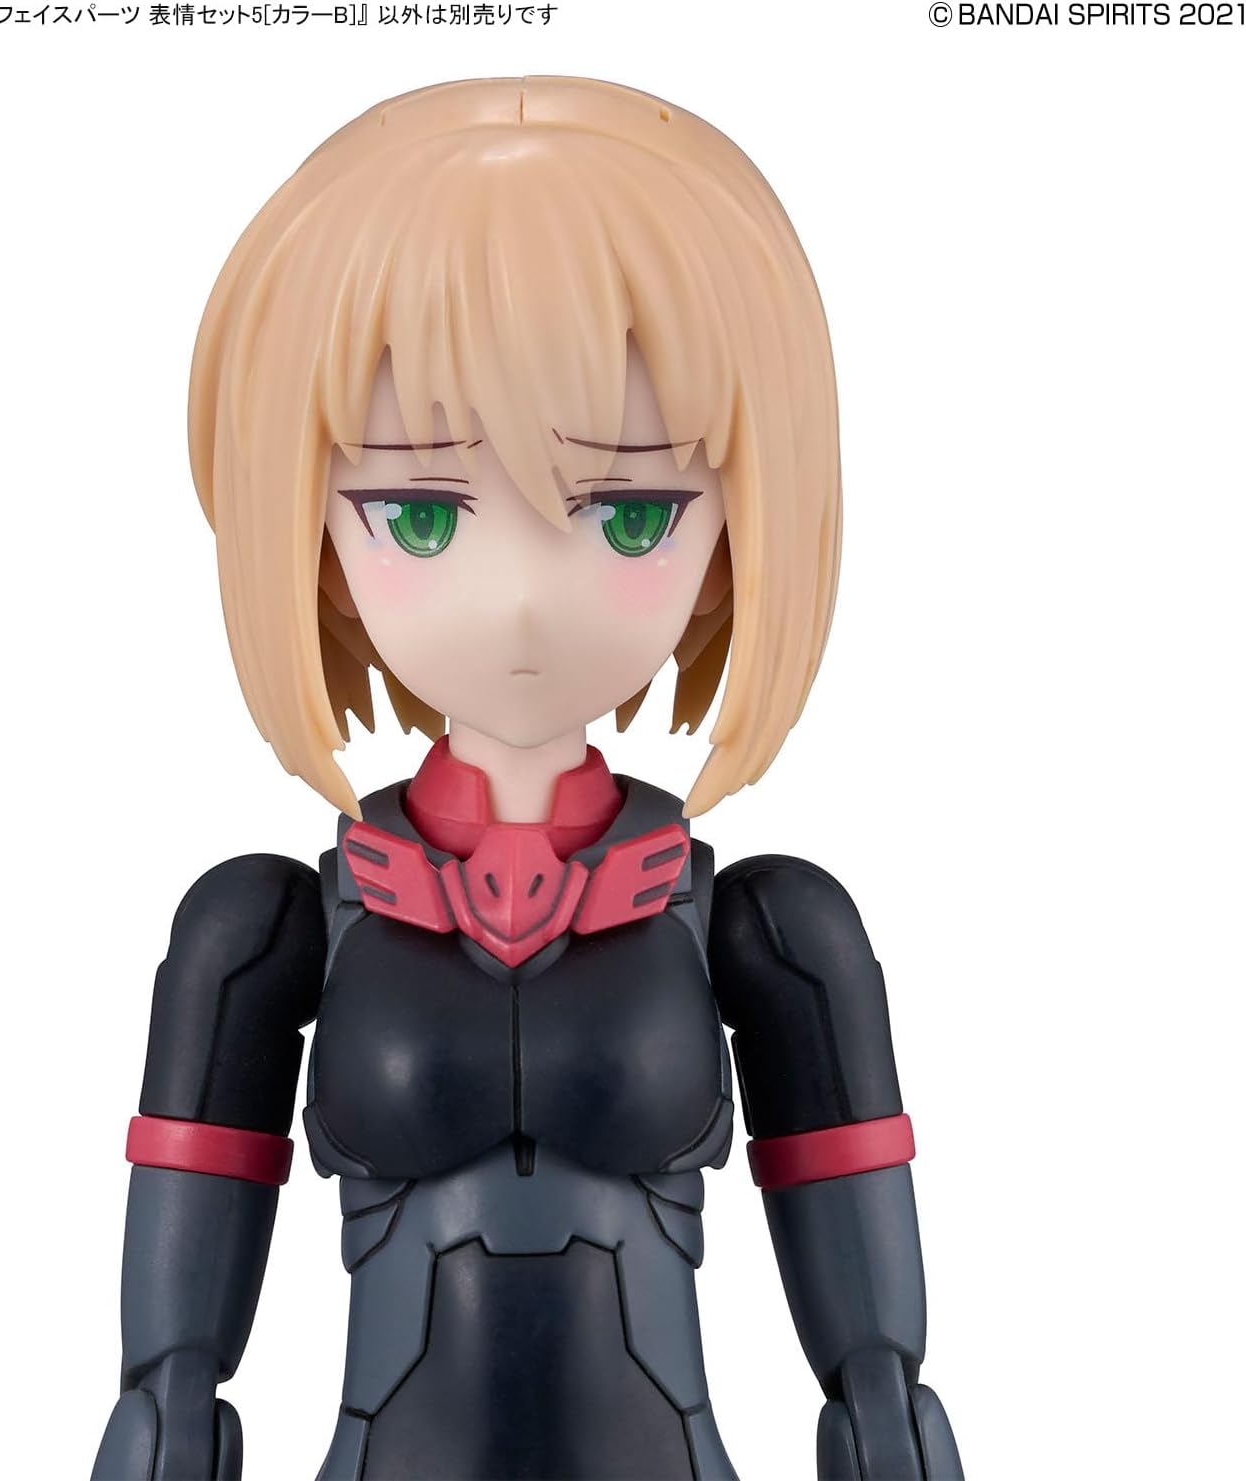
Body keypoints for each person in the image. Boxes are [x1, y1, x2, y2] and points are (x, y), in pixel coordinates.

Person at [92, 74, 964, 1481]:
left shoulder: (770, 932)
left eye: (631, 511)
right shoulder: (263, 933)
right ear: (312, 534)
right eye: (421, 515)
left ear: (737, 531)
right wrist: (160, 1420)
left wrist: (890, 1422)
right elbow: (169, 1382)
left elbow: (879, 1374)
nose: (518, 603)